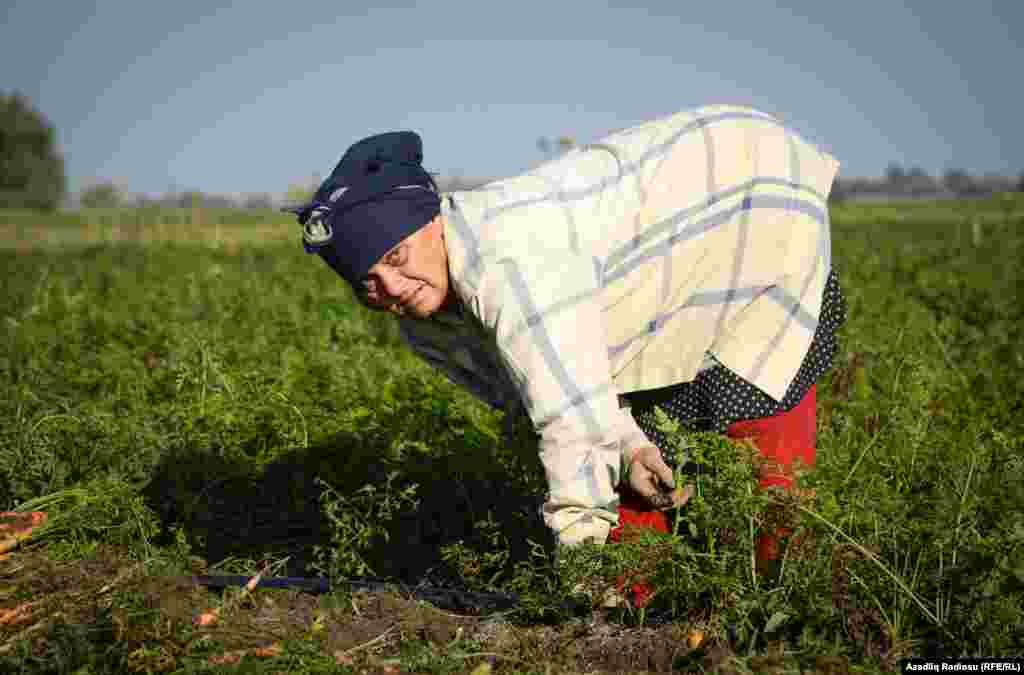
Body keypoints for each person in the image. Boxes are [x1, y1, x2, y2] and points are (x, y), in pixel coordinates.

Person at [289, 104, 846, 606]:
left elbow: (570, 423)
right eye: (368, 283)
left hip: (751, 206)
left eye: (396, 254)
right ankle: (655, 615)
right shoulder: (425, 316)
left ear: (430, 221)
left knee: (763, 478)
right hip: (655, 275)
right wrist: (628, 444)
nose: (391, 285)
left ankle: (792, 612)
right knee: (640, 498)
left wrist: (583, 578)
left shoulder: (510, 261)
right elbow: (542, 391)